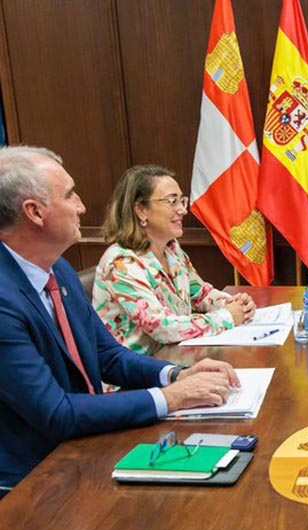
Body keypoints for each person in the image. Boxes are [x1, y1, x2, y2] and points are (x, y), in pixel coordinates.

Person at [0, 146, 239, 494]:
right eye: (70, 195)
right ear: (34, 213)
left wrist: (176, 374)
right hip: (31, 480)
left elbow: (108, 356)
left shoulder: (58, 271)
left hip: (82, 443)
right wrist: (171, 397)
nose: (82, 206)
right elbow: (56, 414)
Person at [92, 164, 256, 355]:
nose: (182, 210)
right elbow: (161, 327)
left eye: (181, 201)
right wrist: (228, 316)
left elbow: (200, 293)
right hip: (133, 376)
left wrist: (232, 303)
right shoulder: (121, 263)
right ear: (141, 210)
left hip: (174, 358)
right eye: (172, 201)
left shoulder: (171, 249)